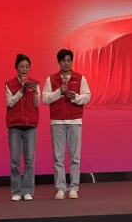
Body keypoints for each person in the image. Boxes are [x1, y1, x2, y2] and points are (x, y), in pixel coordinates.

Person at [42, 48, 91, 200]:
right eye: (63, 60)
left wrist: (75, 97)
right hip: (57, 122)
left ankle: (74, 188)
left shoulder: (80, 78)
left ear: (72, 61)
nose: (66, 63)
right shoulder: (51, 79)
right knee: (58, 158)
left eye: (69, 60)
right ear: (59, 62)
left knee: (75, 157)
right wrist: (59, 92)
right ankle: (61, 188)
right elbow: (45, 99)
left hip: (75, 121)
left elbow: (87, 97)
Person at [5, 53, 40, 201]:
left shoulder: (35, 84)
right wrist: (21, 91)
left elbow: (37, 104)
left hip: (30, 125)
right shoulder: (9, 84)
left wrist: (35, 92)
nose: (24, 69)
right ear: (16, 68)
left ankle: (27, 191)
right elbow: (10, 103)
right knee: (15, 161)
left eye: (27, 67)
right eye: (21, 67)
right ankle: (16, 191)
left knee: (30, 160)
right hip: (15, 126)